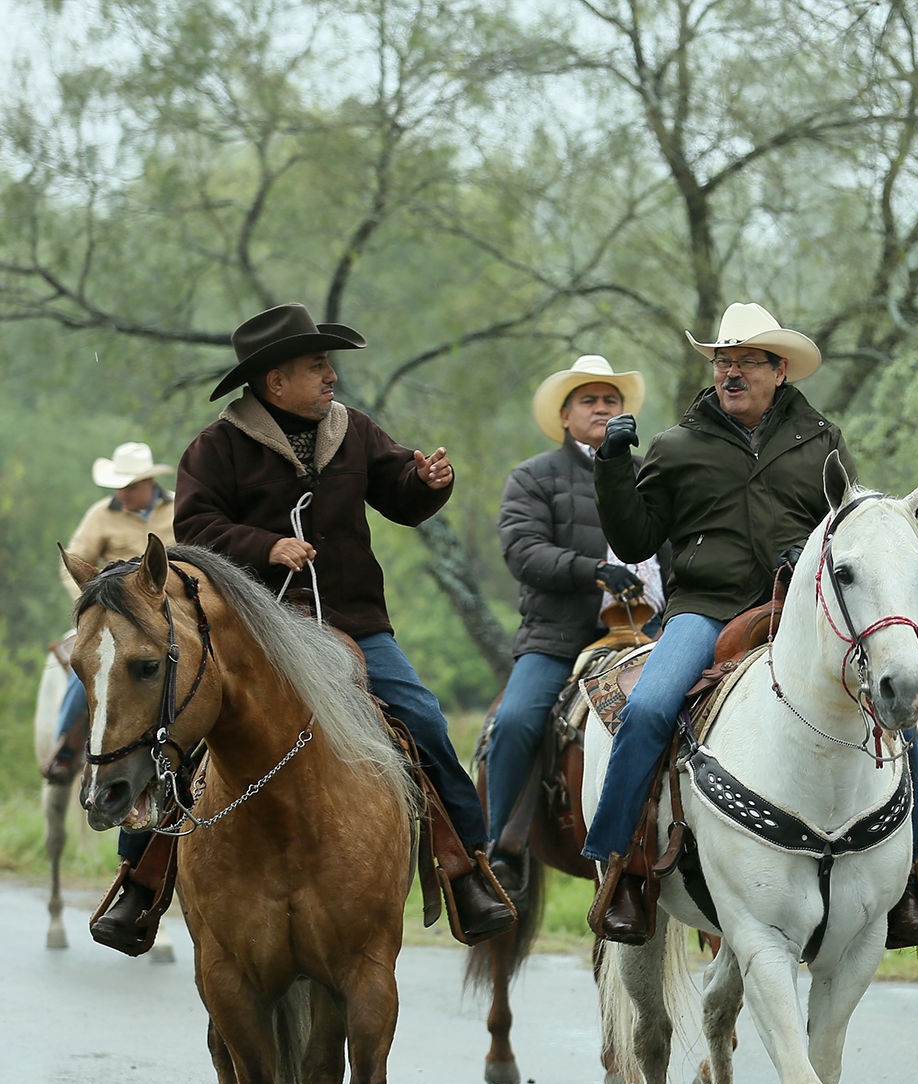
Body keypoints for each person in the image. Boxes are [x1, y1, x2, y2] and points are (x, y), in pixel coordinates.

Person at [87, 302, 516, 954]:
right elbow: (195, 532)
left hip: (354, 623)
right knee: (176, 729)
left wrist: (427, 482)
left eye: (327, 364)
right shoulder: (216, 446)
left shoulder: (352, 430)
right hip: (252, 632)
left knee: (423, 719)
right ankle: (138, 882)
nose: (330, 377)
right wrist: (268, 547)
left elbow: (400, 492)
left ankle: (468, 868)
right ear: (274, 379)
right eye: (317, 365)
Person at [581, 301, 918, 947]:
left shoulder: (822, 440)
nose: (731, 371)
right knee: (650, 707)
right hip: (705, 607)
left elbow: (848, 529)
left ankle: (912, 877)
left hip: (798, 615)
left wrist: (813, 558)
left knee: (912, 715)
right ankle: (624, 870)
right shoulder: (676, 445)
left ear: (779, 371)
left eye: (746, 360)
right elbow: (633, 539)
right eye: (723, 360)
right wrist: (612, 465)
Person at [486, 354, 669, 896]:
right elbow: (523, 552)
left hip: (652, 636)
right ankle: (501, 849)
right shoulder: (534, 477)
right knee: (517, 719)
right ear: (565, 416)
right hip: (560, 639)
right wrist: (594, 571)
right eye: (589, 400)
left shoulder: (650, 478)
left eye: (610, 400)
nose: (601, 408)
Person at [48, 443, 179, 784]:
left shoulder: (180, 507)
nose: (123, 493)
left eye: (131, 486)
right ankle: (66, 748)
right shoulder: (100, 515)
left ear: (150, 483)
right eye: (119, 486)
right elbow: (72, 563)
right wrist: (97, 604)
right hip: (112, 615)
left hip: (173, 613)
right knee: (88, 665)